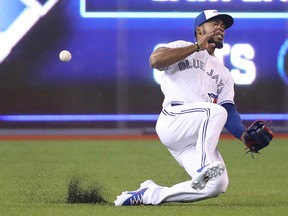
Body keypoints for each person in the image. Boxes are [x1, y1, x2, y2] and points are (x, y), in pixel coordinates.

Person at [114, 9, 248, 206]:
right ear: (199, 30)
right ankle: (205, 166)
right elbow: (155, 60)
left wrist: (244, 136)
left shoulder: (224, 72)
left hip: (196, 135)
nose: (221, 28)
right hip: (175, 118)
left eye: (223, 26)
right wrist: (196, 47)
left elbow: (228, 109)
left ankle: (151, 194)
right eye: (215, 24)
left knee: (217, 184)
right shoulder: (181, 47)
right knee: (213, 111)